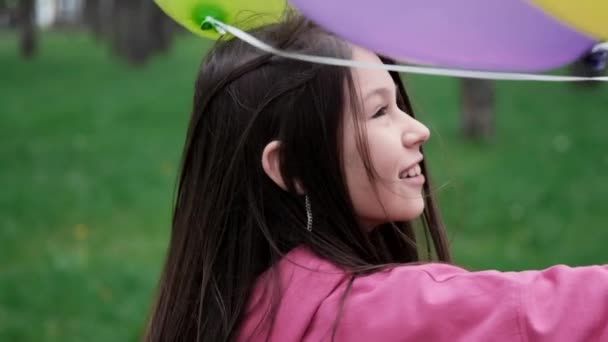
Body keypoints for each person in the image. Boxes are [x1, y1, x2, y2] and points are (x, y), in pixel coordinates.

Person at [144, 12, 608, 342]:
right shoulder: (372, 316)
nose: (419, 130)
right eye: (380, 111)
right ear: (292, 167)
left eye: (398, 104)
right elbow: (558, 314)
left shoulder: (228, 305)